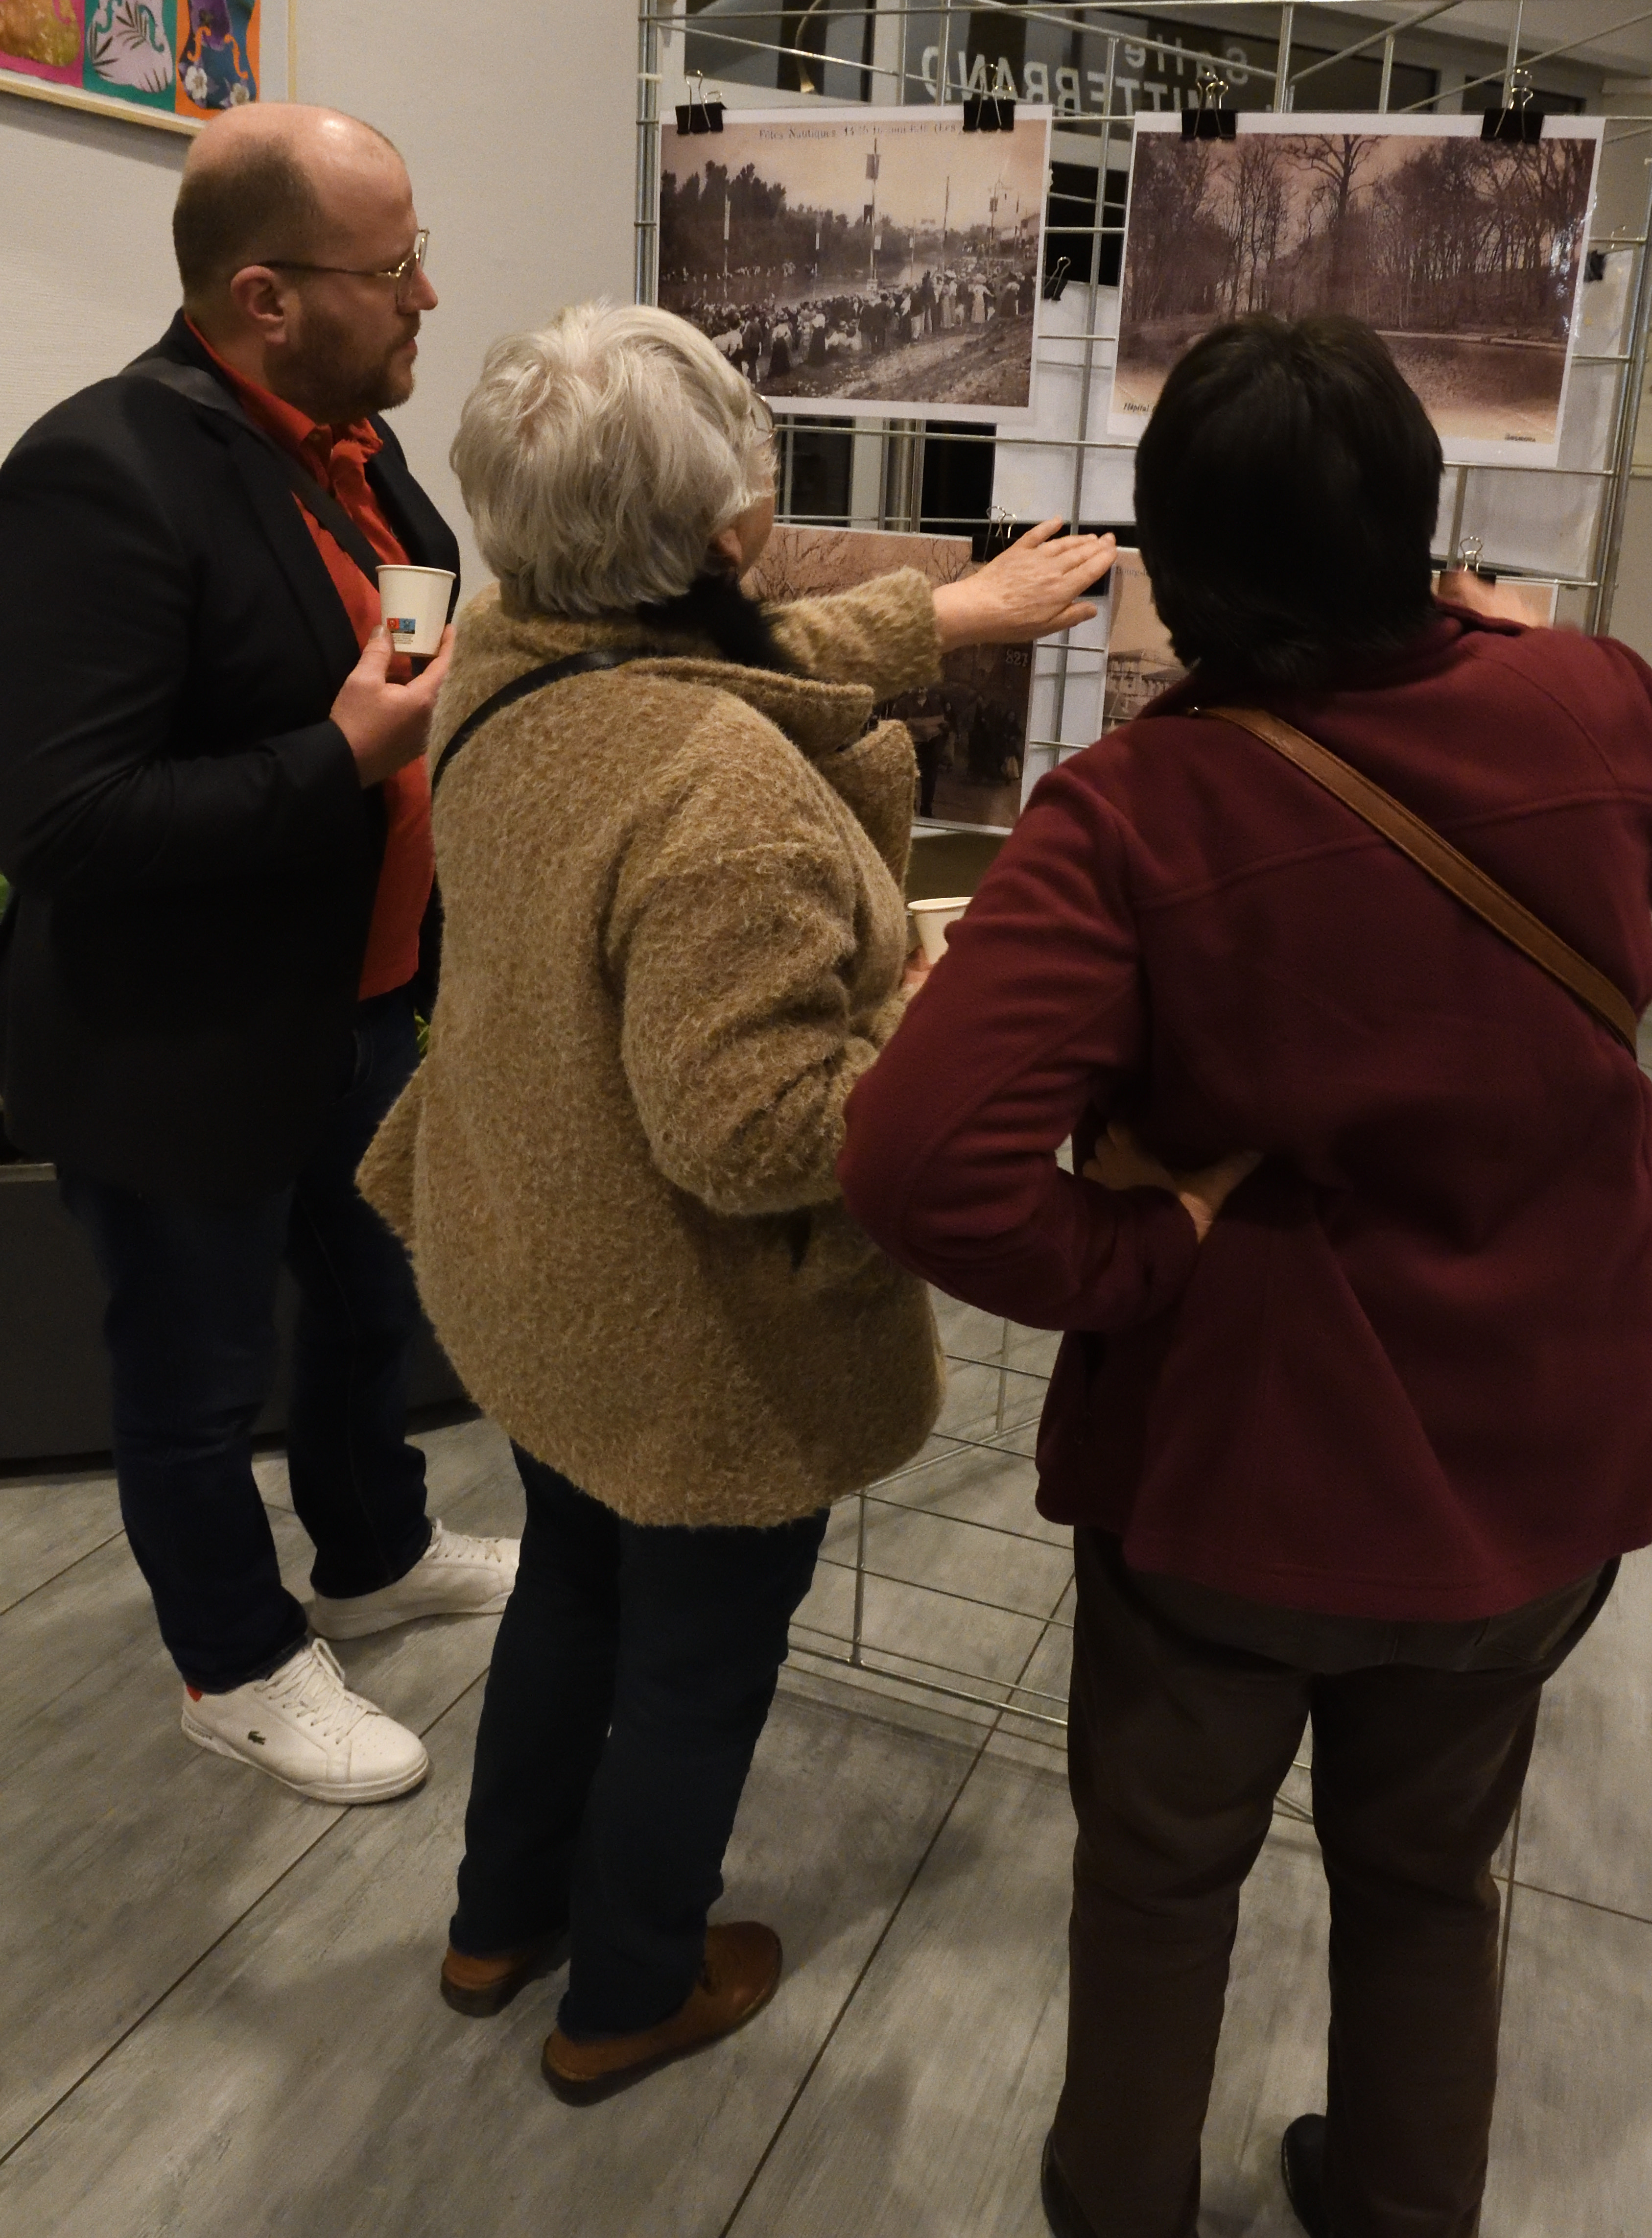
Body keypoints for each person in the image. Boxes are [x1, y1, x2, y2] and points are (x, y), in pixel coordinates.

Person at [839, 313, 1652, 2238]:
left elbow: (919, 1164)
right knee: (1432, 1883)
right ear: (1423, 534)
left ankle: (1119, 2211)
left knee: (1160, 1879)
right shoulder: (1589, 705)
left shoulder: (1129, 812)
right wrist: (1532, 650)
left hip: (1234, 1471)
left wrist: (1131, 1250)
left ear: (1170, 567)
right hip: (1534, 1460)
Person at [355, 301, 1117, 2101]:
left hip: (531, 1265)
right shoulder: (724, 796)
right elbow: (761, 1134)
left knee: (570, 1605)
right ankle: (627, 1993)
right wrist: (927, 1018)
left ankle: (498, 1921)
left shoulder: (500, 664)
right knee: (693, 1670)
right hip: (697, 1340)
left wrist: (949, 613)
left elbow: (725, 641)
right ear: (727, 536)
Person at [0, 103, 518, 1808]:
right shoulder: (100, 471)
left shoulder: (349, 448)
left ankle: (371, 1553)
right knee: (194, 1376)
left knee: (365, 1314)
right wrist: (342, 756)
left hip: (357, 1008)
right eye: (394, 268)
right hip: (180, 1042)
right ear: (266, 294)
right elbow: (63, 823)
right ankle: (233, 1662)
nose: (428, 295)